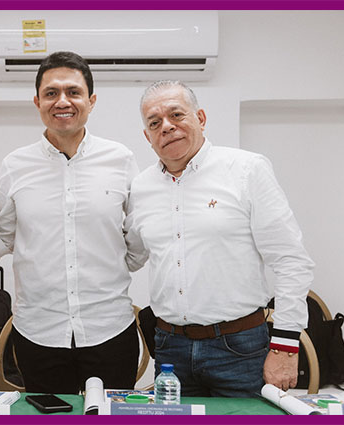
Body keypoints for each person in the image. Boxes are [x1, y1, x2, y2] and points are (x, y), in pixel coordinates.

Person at [125, 80, 314, 397]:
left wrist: (285, 345)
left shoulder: (246, 170)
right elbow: (131, 256)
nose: (166, 127)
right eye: (155, 123)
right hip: (170, 349)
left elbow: (291, 260)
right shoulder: (141, 187)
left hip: (239, 348)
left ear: (200, 118)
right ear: (148, 136)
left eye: (176, 115)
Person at [0, 51, 140, 393]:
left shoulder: (120, 159)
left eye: (73, 92)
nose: (62, 101)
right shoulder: (15, 166)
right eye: (51, 93)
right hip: (38, 332)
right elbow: (4, 237)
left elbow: (138, 234)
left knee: (112, 416)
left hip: (110, 328)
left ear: (91, 100)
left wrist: (115, 263)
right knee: (48, 415)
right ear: (37, 102)